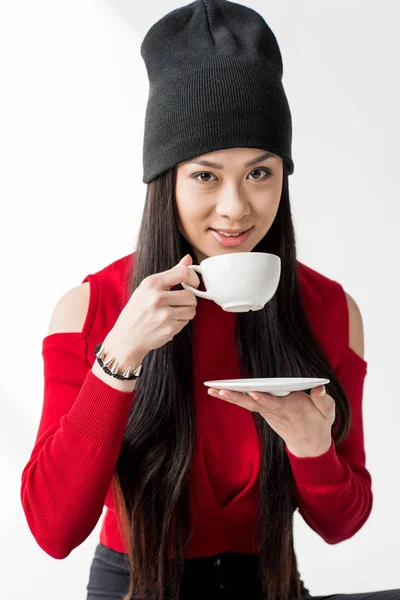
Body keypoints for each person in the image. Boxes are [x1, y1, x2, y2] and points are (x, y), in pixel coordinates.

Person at [20, 1, 399, 599]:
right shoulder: (92, 307)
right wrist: (120, 356)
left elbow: (343, 524)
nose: (235, 207)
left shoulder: (330, 309)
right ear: (164, 179)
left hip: (271, 584)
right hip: (137, 587)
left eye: (259, 172)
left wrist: (311, 445)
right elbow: (53, 530)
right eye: (205, 175)